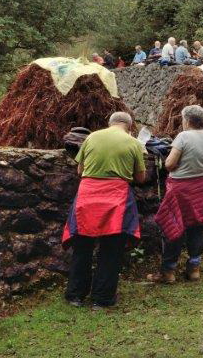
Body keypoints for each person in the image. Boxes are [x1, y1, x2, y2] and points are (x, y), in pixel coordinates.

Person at [62, 112, 146, 310]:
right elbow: (140, 178)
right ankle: (102, 299)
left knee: (82, 246)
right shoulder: (134, 143)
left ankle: (75, 295)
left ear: (110, 123)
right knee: (111, 249)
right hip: (116, 198)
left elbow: (80, 171)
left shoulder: (91, 137)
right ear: (129, 126)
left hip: (87, 196)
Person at [149, 105, 203, 283]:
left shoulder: (183, 136)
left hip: (181, 190)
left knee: (174, 226)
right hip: (202, 189)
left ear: (187, 121)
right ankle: (194, 268)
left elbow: (169, 164)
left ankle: (168, 271)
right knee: (197, 228)